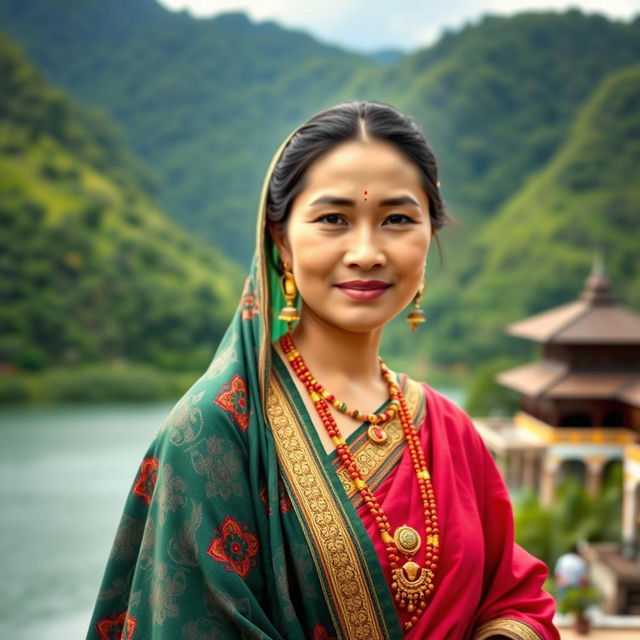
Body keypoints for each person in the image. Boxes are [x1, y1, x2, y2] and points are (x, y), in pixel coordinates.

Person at [87, 100, 560, 639]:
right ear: (281, 239)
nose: (366, 252)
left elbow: (514, 596)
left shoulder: (446, 428)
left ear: (432, 234)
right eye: (334, 219)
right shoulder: (217, 432)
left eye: (398, 219)